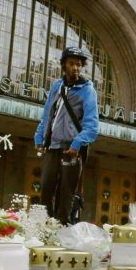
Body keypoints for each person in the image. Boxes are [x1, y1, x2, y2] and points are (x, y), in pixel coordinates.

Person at [34, 46, 98, 224]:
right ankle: (43, 228)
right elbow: (47, 113)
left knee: (66, 194)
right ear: (63, 65)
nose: (76, 68)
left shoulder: (87, 90)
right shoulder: (57, 86)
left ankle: (62, 229)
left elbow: (92, 125)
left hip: (71, 150)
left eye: (79, 64)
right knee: (46, 190)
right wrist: (39, 137)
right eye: (71, 64)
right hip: (52, 147)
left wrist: (77, 144)